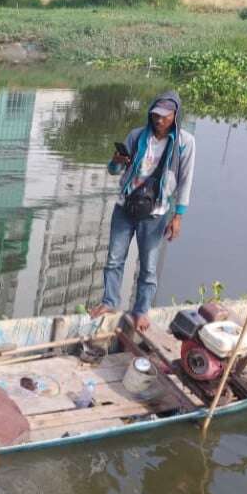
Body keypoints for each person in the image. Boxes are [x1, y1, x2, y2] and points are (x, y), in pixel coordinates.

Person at [89, 91, 196, 332]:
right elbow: (114, 170)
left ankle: (141, 310)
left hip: (156, 213)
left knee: (148, 267)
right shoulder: (137, 136)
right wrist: (116, 161)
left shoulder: (184, 143)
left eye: (165, 117)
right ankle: (109, 302)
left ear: (175, 116)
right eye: (156, 116)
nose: (159, 121)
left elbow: (186, 180)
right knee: (114, 259)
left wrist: (178, 216)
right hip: (125, 206)